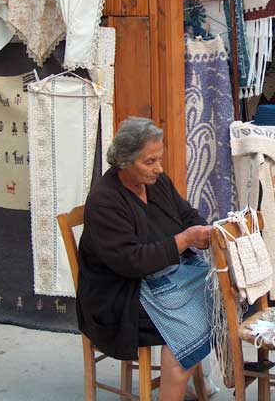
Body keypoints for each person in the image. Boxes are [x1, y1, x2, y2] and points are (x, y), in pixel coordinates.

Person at [77, 117, 214, 401]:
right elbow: (132, 261)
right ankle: (173, 390)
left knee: (221, 291)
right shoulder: (105, 200)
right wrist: (185, 239)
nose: (159, 168)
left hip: (160, 277)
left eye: (159, 159)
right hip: (119, 297)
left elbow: (186, 214)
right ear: (124, 161)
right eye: (150, 162)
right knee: (192, 320)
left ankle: (185, 380)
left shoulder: (157, 182)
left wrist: (206, 231)